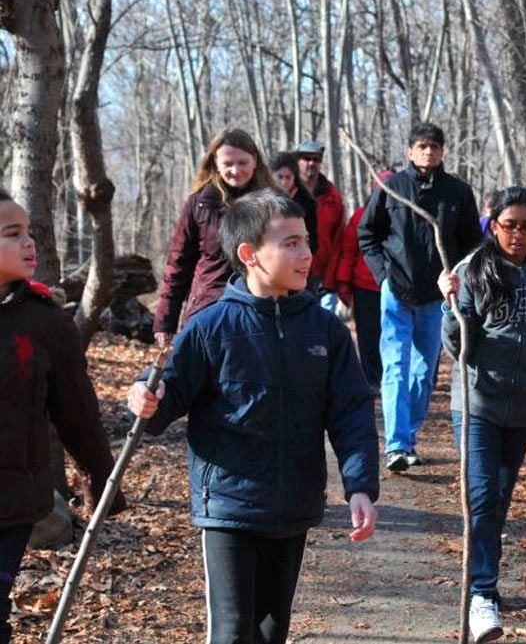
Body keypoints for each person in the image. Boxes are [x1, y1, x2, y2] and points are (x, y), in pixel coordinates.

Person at [128, 189, 379, 644]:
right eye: (290, 244)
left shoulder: (325, 330)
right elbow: (164, 398)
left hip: (294, 505)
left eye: (306, 241)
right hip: (227, 507)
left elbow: (352, 412)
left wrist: (360, 486)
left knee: (270, 631)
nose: (307, 253)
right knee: (231, 631)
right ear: (249, 255)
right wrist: (146, 396)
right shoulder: (211, 327)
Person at [0, 190, 126, 644]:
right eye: (12, 235)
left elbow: (78, 414)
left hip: (10, 502)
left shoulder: (47, 324)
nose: (29, 243)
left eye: (29, 232)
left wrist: (99, 480)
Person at [437, 187, 526, 642]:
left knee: (498, 501)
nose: (517, 235)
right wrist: (450, 306)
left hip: (524, 404)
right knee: (480, 498)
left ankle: (484, 574)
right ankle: (482, 595)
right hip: (478, 403)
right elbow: (457, 347)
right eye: (509, 225)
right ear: (492, 223)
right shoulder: (472, 269)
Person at [358, 122, 481, 472]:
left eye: (435, 146)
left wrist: (459, 278)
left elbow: (473, 242)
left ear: (443, 151)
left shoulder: (457, 192)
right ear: (410, 151)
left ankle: (407, 435)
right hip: (395, 291)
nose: (428, 152)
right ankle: (396, 444)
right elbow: (367, 234)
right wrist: (382, 276)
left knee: (424, 371)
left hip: (437, 297)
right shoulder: (391, 188)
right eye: (422, 146)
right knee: (396, 365)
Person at [153, 128, 276, 346]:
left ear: (255, 161)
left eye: (242, 163)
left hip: (263, 309)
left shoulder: (275, 204)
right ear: (215, 164)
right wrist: (165, 320)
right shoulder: (199, 203)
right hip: (208, 308)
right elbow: (178, 263)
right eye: (228, 163)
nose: (235, 170)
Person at [335, 172, 392, 393]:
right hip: (364, 287)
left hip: (394, 287)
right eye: (380, 185)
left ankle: (391, 378)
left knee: (392, 334)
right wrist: (343, 283)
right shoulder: (360, 215)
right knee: (368, 336)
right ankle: (372, 380)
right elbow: (348, 252)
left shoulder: (401, 216)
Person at [294, 140, 346, 303]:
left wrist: (331, 279)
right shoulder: (286, 190)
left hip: (320, 276)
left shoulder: (332, 196)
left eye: (316, 159)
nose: (311, 163)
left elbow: (338, 241)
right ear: (297, 161)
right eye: (306, 158)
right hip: (289, 270)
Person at [270, 150, 320, 258]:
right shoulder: (261, 199)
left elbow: (313, 241)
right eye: (280, 177)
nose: (284, 182)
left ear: (294, 177)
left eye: (288, 177)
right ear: (272, 176)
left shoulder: (306, 202)